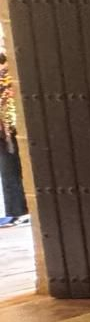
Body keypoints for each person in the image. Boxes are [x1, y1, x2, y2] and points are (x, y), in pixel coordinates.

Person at [0, 51, 26, 227]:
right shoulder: (8, 77)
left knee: (10, 170)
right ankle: (16, 210)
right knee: (10, 169)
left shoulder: (7, 79)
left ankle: (16, 211)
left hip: (8, 130)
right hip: (7, 131)